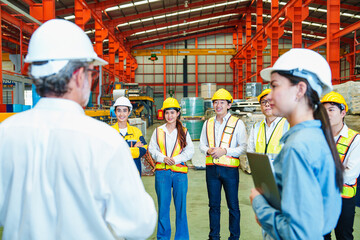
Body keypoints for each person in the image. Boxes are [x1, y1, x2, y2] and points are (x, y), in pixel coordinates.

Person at [0, 19, 156, 239]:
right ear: (78, 75)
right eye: (92, 74)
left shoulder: (6, 133)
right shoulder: (104, 141)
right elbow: (140, 225)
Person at [249, 48, 343, 239]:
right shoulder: (316, 137)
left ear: (300, 90)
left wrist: (260, 205)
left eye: (275, 86)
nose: (270, 96)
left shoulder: (298, 147)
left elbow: (298, 233)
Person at [199, 88, 247, 240]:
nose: (218, 105)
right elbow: (201, 144)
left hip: (230, 171)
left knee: (233, 206)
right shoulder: (208, 123)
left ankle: (234, 237)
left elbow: (243, 147)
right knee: (213, 206)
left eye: (222, 102)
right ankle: (214, 236)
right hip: (212, 171)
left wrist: (224, 151)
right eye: (215, 102)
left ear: (228, 105)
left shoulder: (237, 123)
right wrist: (208, 150)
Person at [148, 97, 194, 240]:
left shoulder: (184, 131)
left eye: (172, 113)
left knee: (181, 208)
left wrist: (176, 159)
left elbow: (190, 151)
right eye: (167, 113)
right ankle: (163, 237)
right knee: (163, 208)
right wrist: (162, 158)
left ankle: (181, 237)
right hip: (162, 173)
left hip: (180, 174)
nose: (170, 116)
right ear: (164, 114)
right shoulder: (158, 131)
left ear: (178, 113)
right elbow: (152, 149)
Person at [321, 92, 360, 240]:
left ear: (343, 112)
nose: (326, 114)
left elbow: (351, 173)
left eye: (331, 110)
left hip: (343, 198)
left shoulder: (355, 139)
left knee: (343, 236)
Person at [247, 88, 289, 161]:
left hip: (280, 171)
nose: (267, 104)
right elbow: (250, 151)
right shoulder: (256, 127)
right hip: (261, 171)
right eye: (264, 102)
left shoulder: (288, 125)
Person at [112, 96, 147, 175]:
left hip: (134, 175)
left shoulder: (136, 131)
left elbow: (143, 149)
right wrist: (133, 149)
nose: (121, 114)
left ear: (129, 112)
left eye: (124, 110)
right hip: (115, 175)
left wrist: (119, 151)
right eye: (119, 110)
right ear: (115, 112)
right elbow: (108, 153)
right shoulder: (110, 132)